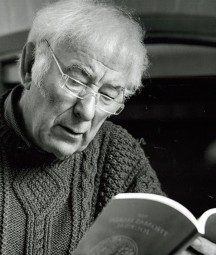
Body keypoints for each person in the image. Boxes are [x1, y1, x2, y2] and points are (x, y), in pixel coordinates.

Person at [0, 0, 214, 254]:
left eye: (108, 95)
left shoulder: (116, 155)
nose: (87, 111)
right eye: (76, 81)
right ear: (29, 65)